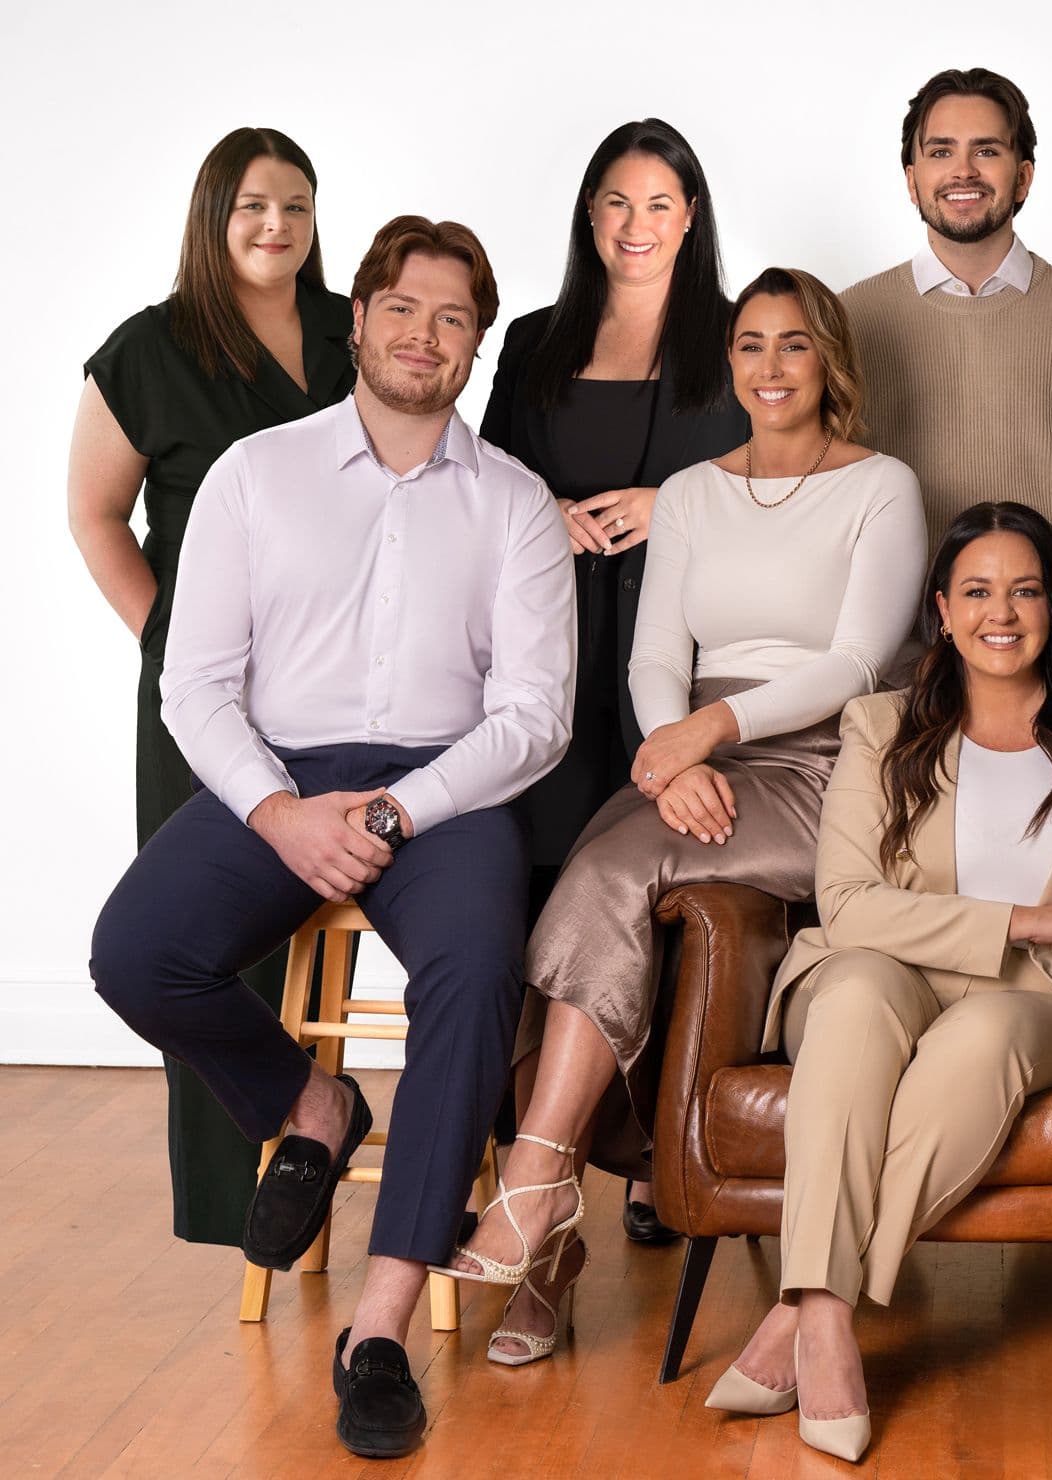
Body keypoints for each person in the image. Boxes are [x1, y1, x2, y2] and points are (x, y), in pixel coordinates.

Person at [89, 216, 577, 1459]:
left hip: (447, 789)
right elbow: (193, 681)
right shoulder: (257, 473)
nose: (425, 335)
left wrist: (401, 810)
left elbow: (535, 718)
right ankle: (312, 1106)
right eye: (402, 309)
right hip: (283, 777)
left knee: (473, 979)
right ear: (353, 320)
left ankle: (379, 1327)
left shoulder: (516, 503)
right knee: (135, 952)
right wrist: (276, 810)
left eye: (454, 317)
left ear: (476, 344)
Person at [442, 269, 927, 1368]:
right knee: (568, 883)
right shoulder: (697, 490)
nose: (767, 366)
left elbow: (857, 662)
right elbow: (656, 654)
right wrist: (669, 758)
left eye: (792, 345)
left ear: (829, 361)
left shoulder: (883, 487)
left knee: (603, 877)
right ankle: (550, 1230)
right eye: (749, 345)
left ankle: (533, 1187)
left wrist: (710, 737)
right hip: (689, 757)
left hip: (825, 764)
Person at [704, 502, 1052, 1462]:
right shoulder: (882, 725)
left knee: (976, 1044)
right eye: (976, 591)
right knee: (851, 998)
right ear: (941, 609)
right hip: (883, 970)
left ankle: (810, 1311)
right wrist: (1021, 918)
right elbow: (845, 903)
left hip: (1048, 999)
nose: (1001, 612)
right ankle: (827, 1323)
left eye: (1024, 589)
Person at [68, 127, 358, 1248]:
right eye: (251, 207)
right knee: (212, 932)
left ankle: (326, 1147)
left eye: (295, 204)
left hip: (344, 686)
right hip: (203, 698)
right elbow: (96, 513)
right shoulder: (148, 350)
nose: (275, 225)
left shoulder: (350, 331)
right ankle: (243, 1190)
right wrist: (170, 642)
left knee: (323, 905)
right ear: (213, 218)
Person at [480, 117, 747, 1243]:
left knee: (667, 891)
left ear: (693, 217)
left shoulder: (736, 335)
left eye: (659, 204)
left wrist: (667, 505)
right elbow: (480, 480)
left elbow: (777, 470)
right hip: (554, 643)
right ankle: (538, 1163)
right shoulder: (538, 339)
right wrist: (545, 511)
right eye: (616, 204)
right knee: (547, 886)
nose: (636, 227)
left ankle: (651, 1159)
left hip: (687, 649)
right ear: (590, 217)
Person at [841, 67, 1052, 545]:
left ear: (1024, 177)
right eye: (941, 151)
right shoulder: (850, 319)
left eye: (986, 151)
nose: (963, 170)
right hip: (896, 617)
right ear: (912, 180)